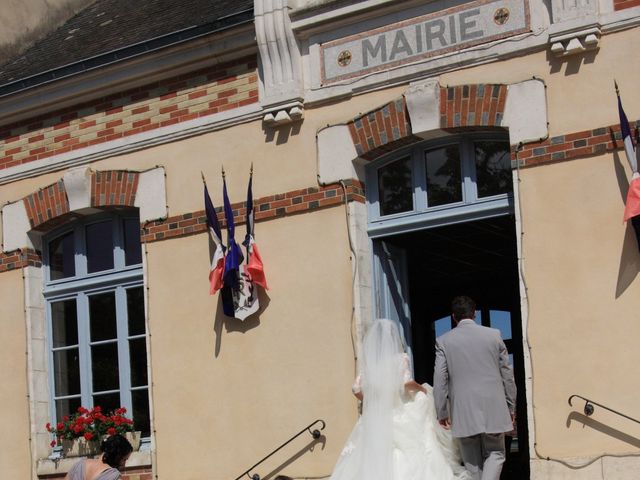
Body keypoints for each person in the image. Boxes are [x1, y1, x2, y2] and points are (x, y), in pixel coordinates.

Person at [330, 318, 470, 480]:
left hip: (377, 416)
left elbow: (356, 389)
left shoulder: (370, 365)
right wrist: (422, 388)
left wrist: (372, 401)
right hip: (400, 411)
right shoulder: (400, 358)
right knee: (414, 449)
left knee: (370, 453)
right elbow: (405, 384)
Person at [433, 296, 517, 480]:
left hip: (463, 410)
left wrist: (441, 412)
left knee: (472, 463)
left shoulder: (444, 341)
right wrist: (511, 406)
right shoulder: (494, 335)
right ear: (475, 313)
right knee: (496, 453)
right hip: (493, 407)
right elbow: (507, 375)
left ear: (454, 317)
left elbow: (440, 379)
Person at [65, 434, 133, 480]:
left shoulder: (79, 464)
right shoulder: (113, 476)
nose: (124, 465)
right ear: (117, 456)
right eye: (124, 459)